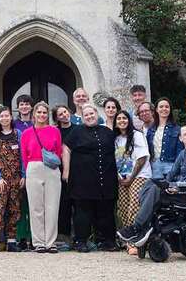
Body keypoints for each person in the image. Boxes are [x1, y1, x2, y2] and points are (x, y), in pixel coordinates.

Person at [117, 125, 186, 247]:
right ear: (181, 139)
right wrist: (165, 185)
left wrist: (176, 187)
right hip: (179, 191)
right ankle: (144, 227)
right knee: (151, 183)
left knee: (156, 190)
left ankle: (137, 227)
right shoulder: (183, 154)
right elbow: (171, 175)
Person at [62, 104, 117, 253]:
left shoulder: (107, 131)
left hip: (105, 177)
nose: (89, 116)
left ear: (96, 114)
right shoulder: (76, 131)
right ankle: (81, 241)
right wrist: (66, 171)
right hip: (82, 178)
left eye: (91, 113)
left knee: (105, 210)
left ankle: (108, 241)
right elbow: (66, 148)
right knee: (83, 210)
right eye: (86, 115)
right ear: (83, 117)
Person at [21, 101, 62, 253]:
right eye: (39, 112)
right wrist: (27, 172)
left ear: (47, 115)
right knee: (35, 207)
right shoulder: (27, 133)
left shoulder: (54, 131)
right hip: (33, 168)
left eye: (44, 112)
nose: (42, 115)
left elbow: (58, 151)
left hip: (51, 169)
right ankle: (38, 242)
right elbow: (24, 155)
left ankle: (51, 242)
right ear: (34, 114)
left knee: (52, 206)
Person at [0, 106, 25, 253]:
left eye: (6, 116)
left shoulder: (18, 134)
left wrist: (23, 175)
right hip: (0, 180)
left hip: (16, 179)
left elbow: (22, 156)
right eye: (1, 116)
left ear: (11, 117)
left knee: (14, 210)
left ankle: (12, 241)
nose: (4, 118)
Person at [113, 110, 151, 256]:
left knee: (134, 205)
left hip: (139, 175)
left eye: (124, 118)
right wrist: (119, 178)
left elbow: (142, 158)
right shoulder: (115, 139)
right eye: (119, 118)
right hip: (121, 177)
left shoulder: (137, 135)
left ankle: (134, 241)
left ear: (129, 120)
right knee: (122, 207)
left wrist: (132, 177)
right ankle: (125, 240)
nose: (122, 120)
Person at [52, 105, 80, 250]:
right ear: (56, 118)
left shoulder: (78, 129)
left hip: (78, 170)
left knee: (78, 204)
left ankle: (79, 237)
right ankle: (64, 236)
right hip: (60, 171)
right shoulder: (55, 131)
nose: (64, 115)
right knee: (63, 204)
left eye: (65, 112)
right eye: (60, 114)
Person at [13, 94, 34, 249]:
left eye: (27, 104)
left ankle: (34, 238)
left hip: (34, 167)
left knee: (34, 205)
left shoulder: (36, 123)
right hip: (18, 169)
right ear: (18, 107)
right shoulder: (14, 125)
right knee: (19, 205)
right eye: (21, 104)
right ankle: (20, 237)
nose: (24, 107)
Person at [145, 98, 183, 179]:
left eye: (167, 107)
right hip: (154, 165)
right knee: (156, 190)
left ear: (170, 109)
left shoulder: (177, 129)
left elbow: (180, 152)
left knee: (170, 189)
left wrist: (177, 168)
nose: (164, 109)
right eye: (161, 107)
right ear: (156, 110)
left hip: (171, 165)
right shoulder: (151, 129)